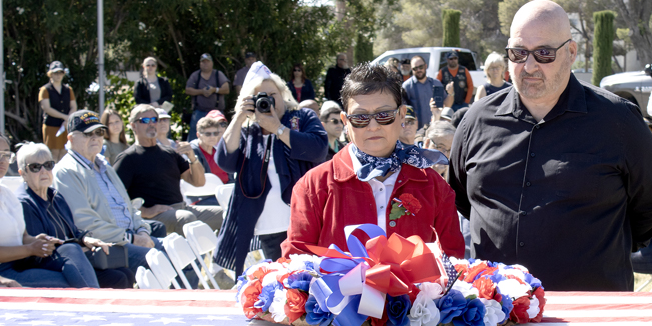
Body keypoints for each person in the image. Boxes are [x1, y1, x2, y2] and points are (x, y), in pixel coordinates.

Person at [449, 0, 652, 291]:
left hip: (590, 318)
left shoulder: (619, 121)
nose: (529, 66)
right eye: (519, 53)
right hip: (497, 317)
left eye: (544, 53)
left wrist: (605, 246)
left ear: (570, 52)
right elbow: (462, 199)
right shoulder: (475, 121)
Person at [283, 63, 463, 258]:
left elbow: (452, 261)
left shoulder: (434, 186)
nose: (373, 126)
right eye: (360, 117)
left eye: (384, 115)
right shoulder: (314, 187)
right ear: (345, 122)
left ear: (401, 115)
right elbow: (296, 265)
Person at [215, 63, 327, 272]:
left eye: (272, 94)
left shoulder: (302, 118)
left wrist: (278, 129)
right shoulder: (249, 131)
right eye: (259, 96)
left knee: (307, 281)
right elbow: (225, 161)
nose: (267, 100)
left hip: (304, 222)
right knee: (281, 285)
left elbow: (318, 150)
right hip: (268, 225)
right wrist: (238, 118)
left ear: (283, 93)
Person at [53, 110, 161, 278]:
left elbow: (128, 207)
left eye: (99, 132)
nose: (95, 137)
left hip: (131, 236)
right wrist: (133, 239)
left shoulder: (103, 164)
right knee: (164, 260)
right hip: (109, 244)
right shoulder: (66, 171)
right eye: (88, 133)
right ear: (71, 138)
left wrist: (142, 231)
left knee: (185, 252)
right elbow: (85, 224)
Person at [17, 142, 129, 289]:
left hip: (69, 259)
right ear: (23, 173)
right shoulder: (24, 203)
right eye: (35, 167)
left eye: (48, 165)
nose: (44, 171)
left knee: (123, 274)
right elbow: (42, 247)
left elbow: (73, 231)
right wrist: (78, 246)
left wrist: (86, 239)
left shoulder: (56, 197)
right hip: (43, 264)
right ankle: (96, 306)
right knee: (110, 275)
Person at [0, 125, 77, 287]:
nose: (2, 160)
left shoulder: (6, 193)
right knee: (68, 284)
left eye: (6, 155)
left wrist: (39, 240)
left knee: (72, 251)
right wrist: (31, 249)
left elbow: (22, 237)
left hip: (19, 264)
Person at [113, 104, 222, 235]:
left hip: (182, 209)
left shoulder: (170, 152)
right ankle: (191, 256)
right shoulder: (128, 158)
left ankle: (226, 255)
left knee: (228, 214)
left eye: (155, 120)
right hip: (154, 217)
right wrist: (145, 211)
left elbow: (198, 182)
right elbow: (114, 196)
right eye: (145, 121)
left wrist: (192, 158)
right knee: (186, 218)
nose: (152, 124)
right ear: (133, 125)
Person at [38, 61, 77, 161]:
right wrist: (65, 117)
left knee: (65, 152)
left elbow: (73, 106)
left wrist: (68, 119)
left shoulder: (68, 89)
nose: (58, 75)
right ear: (50, 74)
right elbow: (47, 108)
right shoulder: (45, 89)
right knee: (53, 153)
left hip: (66, 125)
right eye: (55, 73)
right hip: (52, 125)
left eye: (60, 73)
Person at [185, 53, 229, 141]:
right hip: (199, 112)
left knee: (220, 137)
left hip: (217, 113)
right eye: (203, 62)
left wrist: (214, 90)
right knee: (194, 138)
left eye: (207, 61)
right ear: (200, 63)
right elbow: (188, 90)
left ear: (212, 63)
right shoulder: (195, 75)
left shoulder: (218, 74)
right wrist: (201, 91)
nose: (205, 64)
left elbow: (226, 89)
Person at [402, 55, 446, 129]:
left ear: (426, 66)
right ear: (411, 70)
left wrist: (451, 93)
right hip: (416, 131)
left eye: (421, 67)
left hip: (434, 127)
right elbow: (403, 110)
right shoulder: (407, 86)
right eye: (415, 68)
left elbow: (446, 103)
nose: (418, 70)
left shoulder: (436, 83)